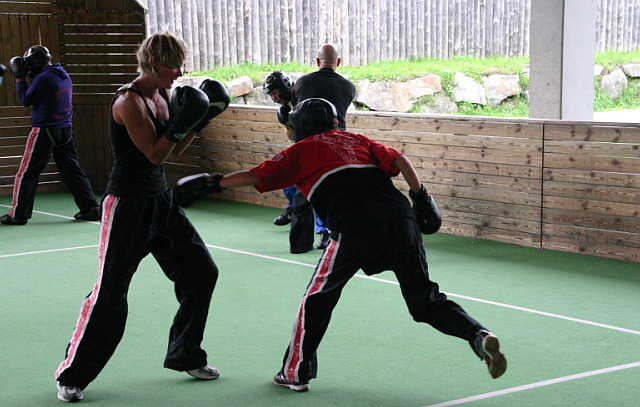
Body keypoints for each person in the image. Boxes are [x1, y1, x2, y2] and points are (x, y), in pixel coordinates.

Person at [173, 98, 508, 392]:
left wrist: (212, 182)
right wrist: (421, 198)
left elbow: (256, 176)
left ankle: (295, 373)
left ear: (301, 126)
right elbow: (401, 161)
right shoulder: (357, 139)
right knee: (425, 300)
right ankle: (477, 335)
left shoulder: (300, 150)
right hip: (401, 220)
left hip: (354, 226)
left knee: (316, 300)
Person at [54, 32, 230, 403]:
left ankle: (185, 354)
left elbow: (174, 149)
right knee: (110, 293)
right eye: (172, 65)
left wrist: (201, 120)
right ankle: (72, 375)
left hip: (160, 201)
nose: (178, 72)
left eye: (180, 64)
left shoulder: (165, 95)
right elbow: (153, 153)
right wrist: (184, 122)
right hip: (127, 206)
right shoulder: (128, 102)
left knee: (202, 272)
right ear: (153, 63)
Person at [1, 45, 100, 225]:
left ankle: (18, 214)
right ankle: (91, 208)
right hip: (65, 130)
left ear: (36, 61)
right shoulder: (63, 75)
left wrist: (20, 79)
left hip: (45, 130)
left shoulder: (44, 78)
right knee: (72, 170)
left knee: (27, 173)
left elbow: (26, 100)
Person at [262, 70, 329, 252]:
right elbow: (294, 137)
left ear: (285, 87)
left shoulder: (306, 99)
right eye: (271, 95)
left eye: (275, 93)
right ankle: (292, 209)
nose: (274, 98)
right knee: (287, 179)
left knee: (316, 190)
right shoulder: (288, 106)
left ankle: (325, 232)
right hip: (303, 149)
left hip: (321, 150)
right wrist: (287, 123)